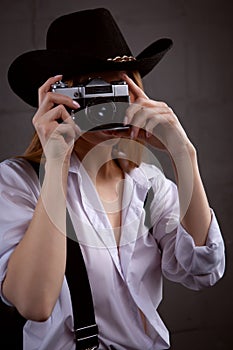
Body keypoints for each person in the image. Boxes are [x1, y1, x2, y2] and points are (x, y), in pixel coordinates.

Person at [0, 8, 225, 350]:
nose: (106, 106)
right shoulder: (17, 182)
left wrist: (183, 153)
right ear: (58, 98)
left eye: (115, 91)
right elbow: (35, 304)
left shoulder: (149, 183)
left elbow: (202, 270)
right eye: (90, 91)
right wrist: (56, 162)